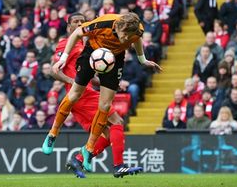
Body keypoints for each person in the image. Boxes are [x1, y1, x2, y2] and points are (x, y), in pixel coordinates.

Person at [43, 12, 161, 173]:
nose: (126, 39)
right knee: (114, 121)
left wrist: (142, 59)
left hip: (114, 60)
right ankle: (54, 134)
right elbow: (55, 68)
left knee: (108, 113)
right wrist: (63, 60)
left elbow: (137, 38)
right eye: (124, 34)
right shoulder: (100, 25)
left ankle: (86, 152)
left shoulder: (136, 30)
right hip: (91, 61)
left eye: (81, 21)